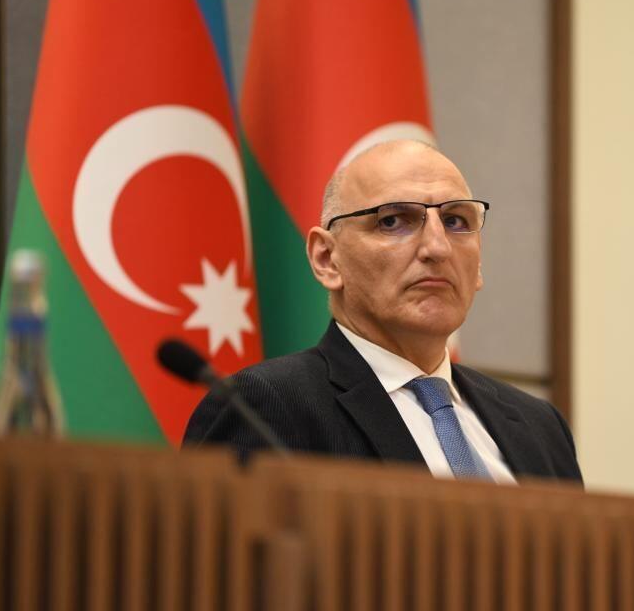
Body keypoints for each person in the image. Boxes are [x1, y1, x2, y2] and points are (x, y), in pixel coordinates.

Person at [183, 140, 582, 484]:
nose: (437, 248)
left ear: (478, 264)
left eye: (455, 221)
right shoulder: (265, 408)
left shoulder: (540, 427)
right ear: (327, 259)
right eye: (393, 221)